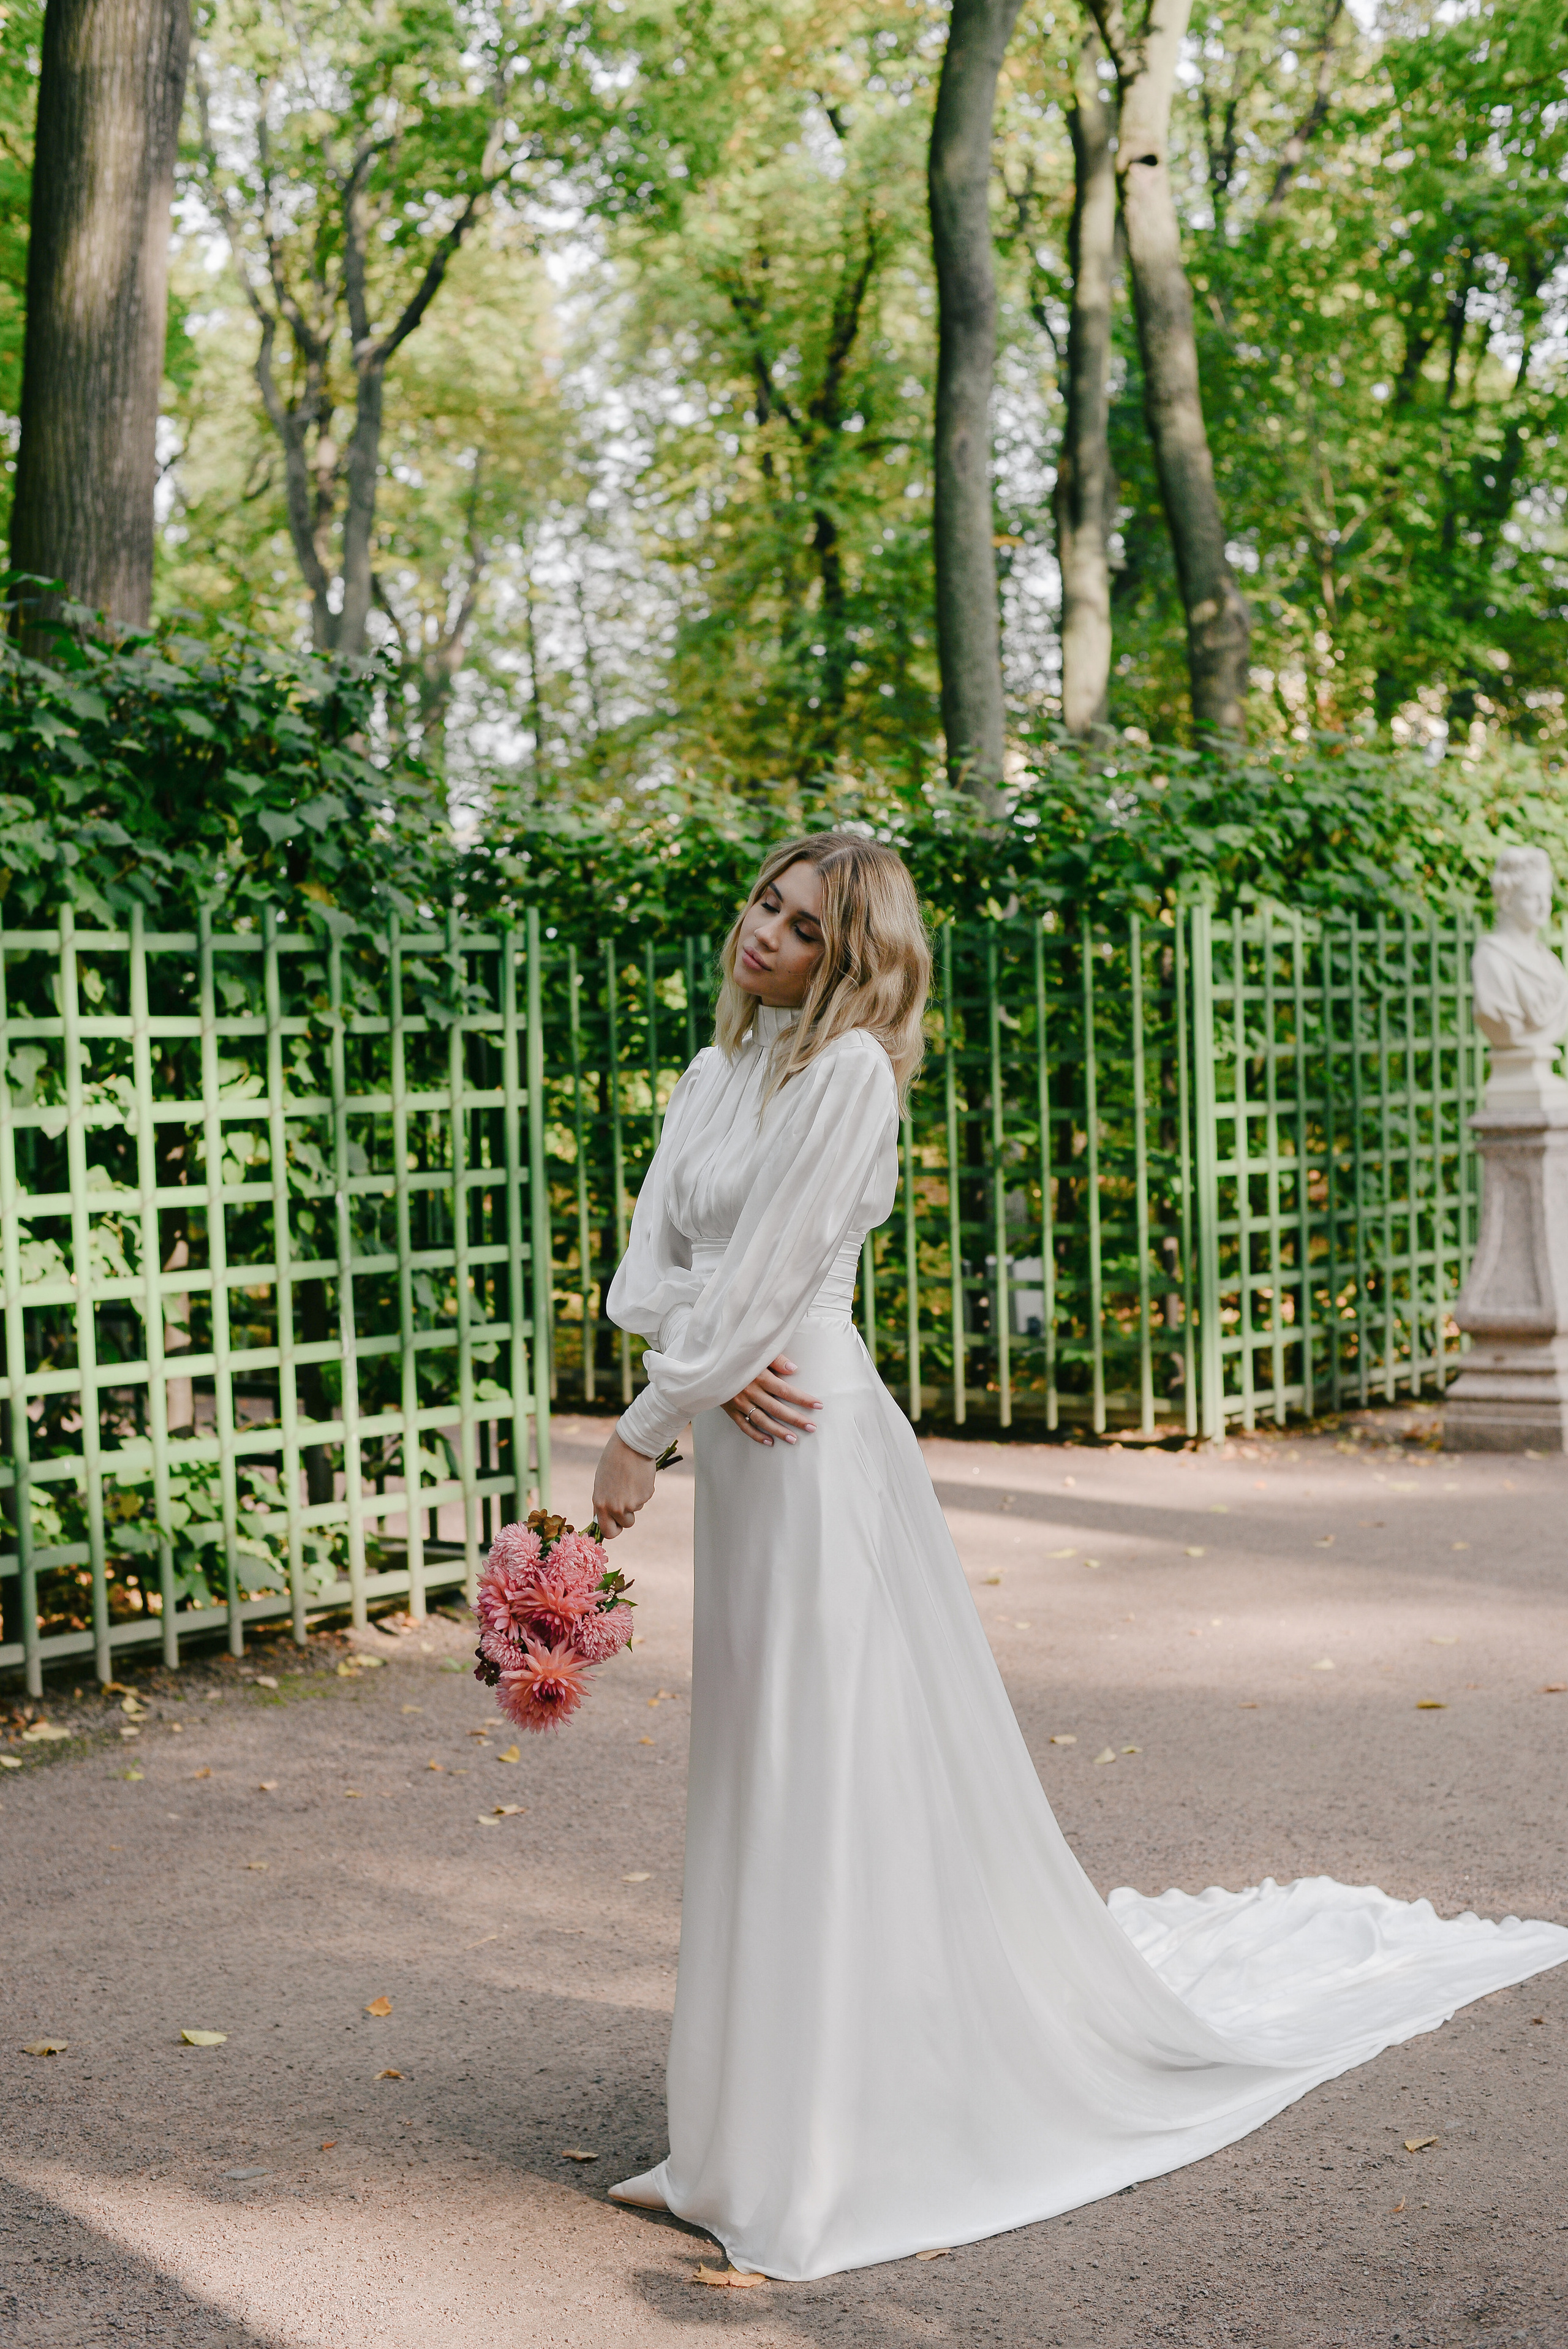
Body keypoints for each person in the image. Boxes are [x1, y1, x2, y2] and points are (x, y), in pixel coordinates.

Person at [590, 833, 1568, 2283]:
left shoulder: (847, 1079)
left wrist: (643, 1427)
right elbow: (645, 1274)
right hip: (746, 1439)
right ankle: (733, 2139)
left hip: (813, 1457)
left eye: (802, 927)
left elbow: (776, 1276)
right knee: (754, 1771)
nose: (767, 936)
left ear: (850, 958)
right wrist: (704, 1368)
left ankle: (815, 2152)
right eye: (764, 906)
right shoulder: (711, 1074)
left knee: (823, 1769)